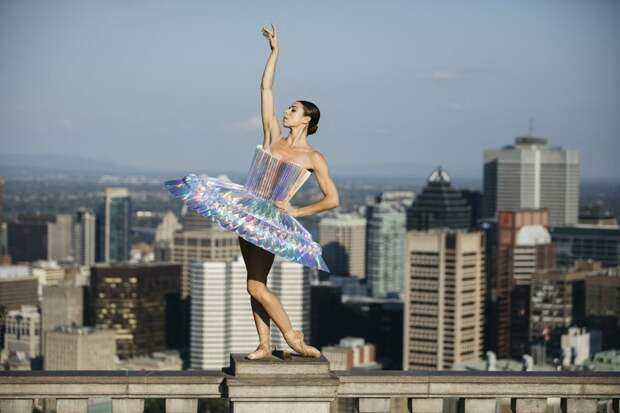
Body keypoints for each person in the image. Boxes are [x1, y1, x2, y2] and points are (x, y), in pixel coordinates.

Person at [164, 23, 339, 360]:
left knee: (254, 285)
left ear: (306, 120)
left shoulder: (313, 157)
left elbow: (333, 199)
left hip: (271, 220)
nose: (286, 111)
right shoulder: (272, 136)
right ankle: (263, 343)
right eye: (287, 108)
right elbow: (265, 88)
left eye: (293, 109)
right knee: (254, 282)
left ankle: (293, 337)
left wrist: (295, 211)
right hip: (247, 212)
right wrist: (274, 52)